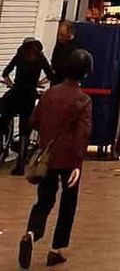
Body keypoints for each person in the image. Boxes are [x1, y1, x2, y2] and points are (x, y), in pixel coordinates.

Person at [17, 48, 93, 269]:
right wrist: (78, 163)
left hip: (48, 156)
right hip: (69, 159)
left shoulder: (50, 94)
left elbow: (34, 120)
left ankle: (32, 233)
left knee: (44, 199)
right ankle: (56, 249)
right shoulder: (83, 100)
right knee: (68, 204)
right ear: (86, 73)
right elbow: (83, 133)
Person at [2, 39, 53, 175]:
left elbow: (5, 73)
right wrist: (37, 83)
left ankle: (5, 138)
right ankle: (20, 165)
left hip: (16, 93)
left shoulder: (20, 55)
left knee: (4, 113)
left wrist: (12, 85)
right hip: (29, 96)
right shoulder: (40, 58)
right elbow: (51, 76)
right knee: (25, 129)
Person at [48, 24, 77, 88]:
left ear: (70, 35)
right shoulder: (60, 45)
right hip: (56, 82)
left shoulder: (73, 49)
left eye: (62, 35)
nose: (59, 37)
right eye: (58, 34)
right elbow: (54, 61)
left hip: (65, 84)